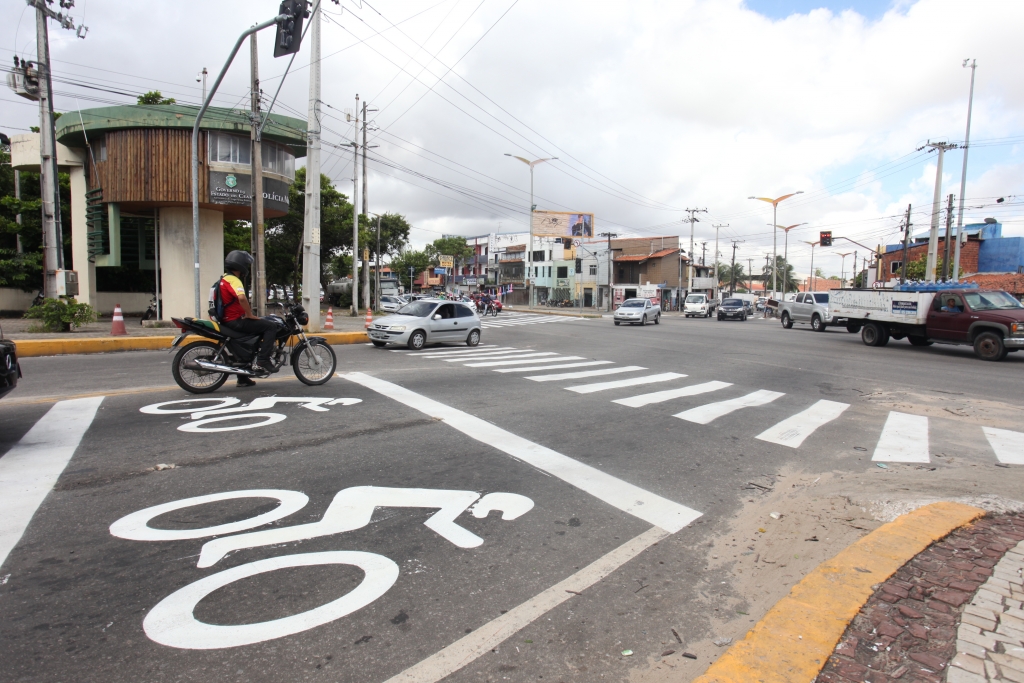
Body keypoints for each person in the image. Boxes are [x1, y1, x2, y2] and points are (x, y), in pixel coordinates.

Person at [218, 250, 278, 386]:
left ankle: (243, 377)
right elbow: (241, 298)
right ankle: (263, 359)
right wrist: (249, 314)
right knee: (270, 326)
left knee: (250, 339)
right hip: (235, 321)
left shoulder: (223, 278)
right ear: (240, 265)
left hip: (227, 320)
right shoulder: (234, 280)